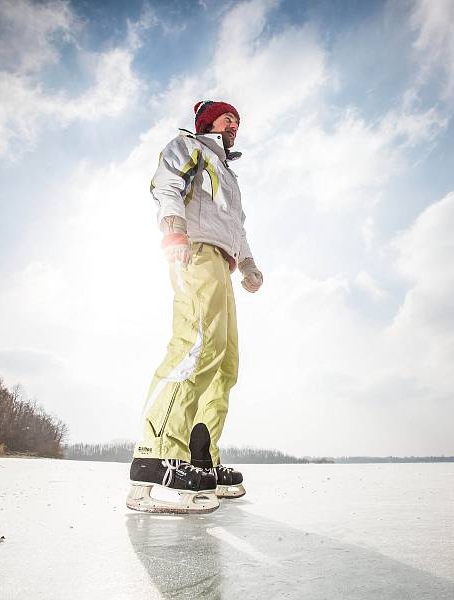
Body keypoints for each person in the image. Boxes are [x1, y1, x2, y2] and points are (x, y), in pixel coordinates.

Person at [126, 100, 263, 515]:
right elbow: (166, 185)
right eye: (228, 117)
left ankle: (202, 459)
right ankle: (156, 454)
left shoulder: (229, 175)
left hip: (222, 262)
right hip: (195, 251)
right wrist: (173, 229)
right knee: (196, 345)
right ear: (208, 122)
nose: (235, 124)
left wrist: (249, 266)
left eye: (239, 119)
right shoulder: (190, 147)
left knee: (224, 364)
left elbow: (237, 227)